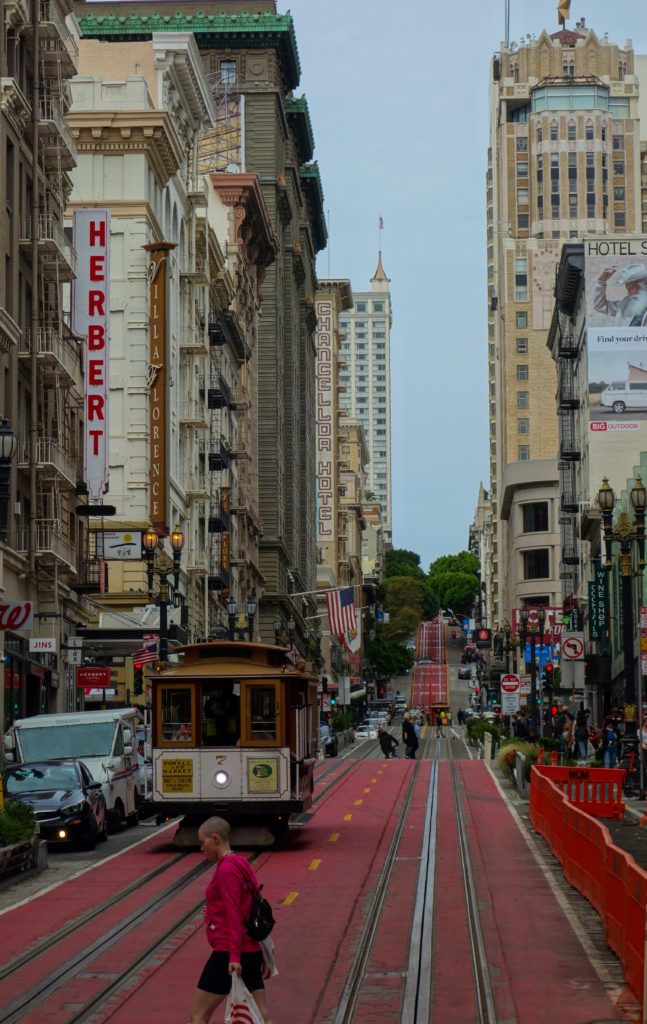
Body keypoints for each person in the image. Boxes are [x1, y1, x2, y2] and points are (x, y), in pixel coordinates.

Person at [189, 816, 274, 1024]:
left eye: (203, 842)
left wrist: (234, 957)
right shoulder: (241, 862)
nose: (202, 848)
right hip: (251, 949)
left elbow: (235, 914)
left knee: (197, 1016)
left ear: (215, 839)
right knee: (262, 1014)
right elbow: (251, 905)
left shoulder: (226, 870)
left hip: (229, 952)